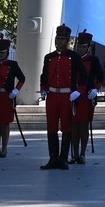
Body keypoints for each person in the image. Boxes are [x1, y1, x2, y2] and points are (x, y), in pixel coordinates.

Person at [39, 23, 84, 170]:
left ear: (67, 41)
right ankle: (53, 157)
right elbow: (44, 75)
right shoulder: (49, 57)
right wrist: (43, 88)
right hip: (52, 96)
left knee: (66, 127)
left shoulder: (74, 56)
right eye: (57, 38)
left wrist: (79, 91)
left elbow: (84, 75)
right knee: (51, 127)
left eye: (62, 39)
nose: (59, 41)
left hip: (66, 96)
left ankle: (63, 158)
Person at [0, 37, 26, 159]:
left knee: (5, 124)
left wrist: (16, 90)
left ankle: (4, 148)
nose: (0, 55)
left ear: (7, 53)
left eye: (2, 52)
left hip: (7, 97)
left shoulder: (13, 65)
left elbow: (22, 78)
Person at [70, 30, 104, 165]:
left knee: (84, 125)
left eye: (83, 46)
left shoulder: (93, 60)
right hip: (74, 95)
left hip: (87, 96)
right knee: (73, 126)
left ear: (88, 47)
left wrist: (96, 89)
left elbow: (100, 77)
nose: (80, 49)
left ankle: (83, 153)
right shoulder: (73, 58)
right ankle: (74, 154)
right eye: (79, 46)